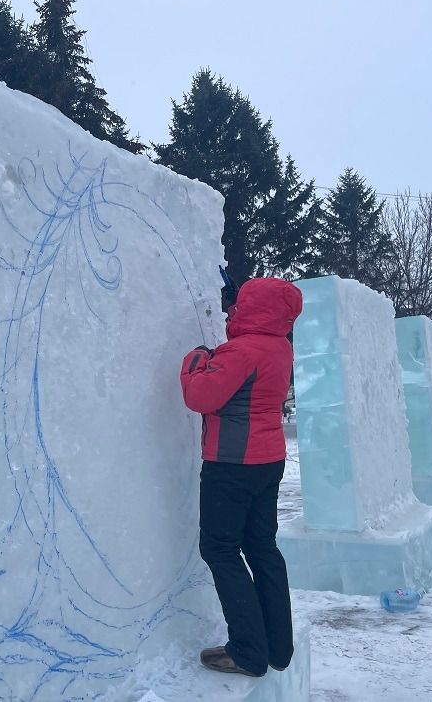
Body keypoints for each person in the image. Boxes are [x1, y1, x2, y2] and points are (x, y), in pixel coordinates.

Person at [179, 277, 303, 677]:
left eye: (240, 303)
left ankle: (248, 651)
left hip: (232, 467)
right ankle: (277, 646)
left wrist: (196, 361)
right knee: (262, 548)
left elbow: (200, 397)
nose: (233, 309)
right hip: (269, 462)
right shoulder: (280, 347)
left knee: (219, 549)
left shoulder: (242, 350)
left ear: (253, 308)